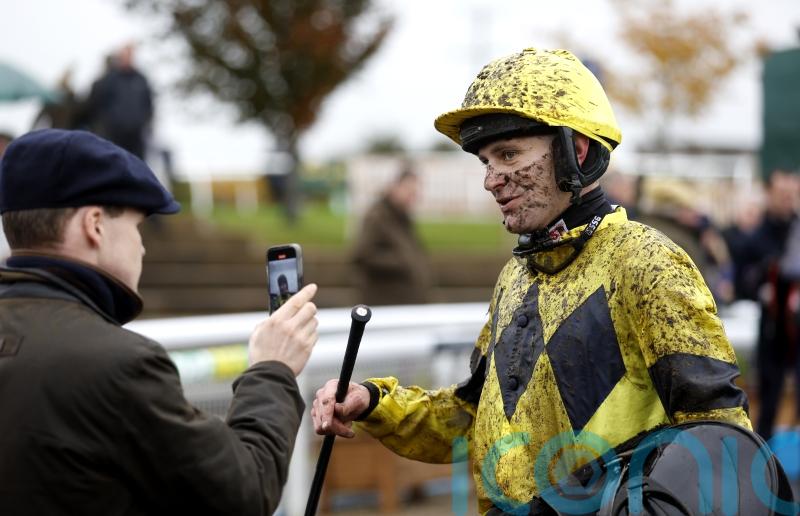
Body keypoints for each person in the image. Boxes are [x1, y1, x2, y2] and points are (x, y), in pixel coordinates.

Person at [311, 48, 752, 514]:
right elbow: (471, 418)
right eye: (486, 161)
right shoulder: (515, 277)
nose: (491, 180)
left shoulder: (647, 263)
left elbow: (720, 449)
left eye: (508, 154)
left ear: (575, 150)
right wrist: (374, 403)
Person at [0, 129, 319, 515]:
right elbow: (244, 493)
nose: (143, 245)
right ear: (95, 224)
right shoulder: (117, 364)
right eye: (137, 227)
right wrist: (273, 369)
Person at [351, 166, 432, 305]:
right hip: (386, 305)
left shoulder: (402, 217)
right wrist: (402, 261)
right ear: (395, 187)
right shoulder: (377, 216)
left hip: (405, 303)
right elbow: (361, 255)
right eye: (409, 191)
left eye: (415, 193)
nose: (412, 197)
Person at [84, 44, 154, 160]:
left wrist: (144, 122)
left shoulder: (141, 79)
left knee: (137, 167)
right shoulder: (109, 79)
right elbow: (96, 103)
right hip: (113, 134)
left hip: (136, 135)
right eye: (124, 55)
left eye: (130, 55)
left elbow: (149, 104)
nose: (127, 58)